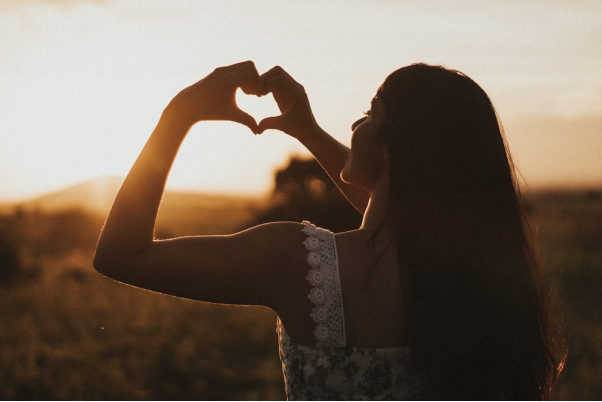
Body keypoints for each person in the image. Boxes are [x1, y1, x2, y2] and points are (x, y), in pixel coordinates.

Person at [94, 61, 563, 400]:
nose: (356, 123)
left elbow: (121, 254)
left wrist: (180, 112)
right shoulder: (473, 277)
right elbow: (407, 209)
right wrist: (307, 129)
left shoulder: (298, 263)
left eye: (370, 112)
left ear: (395, 149)